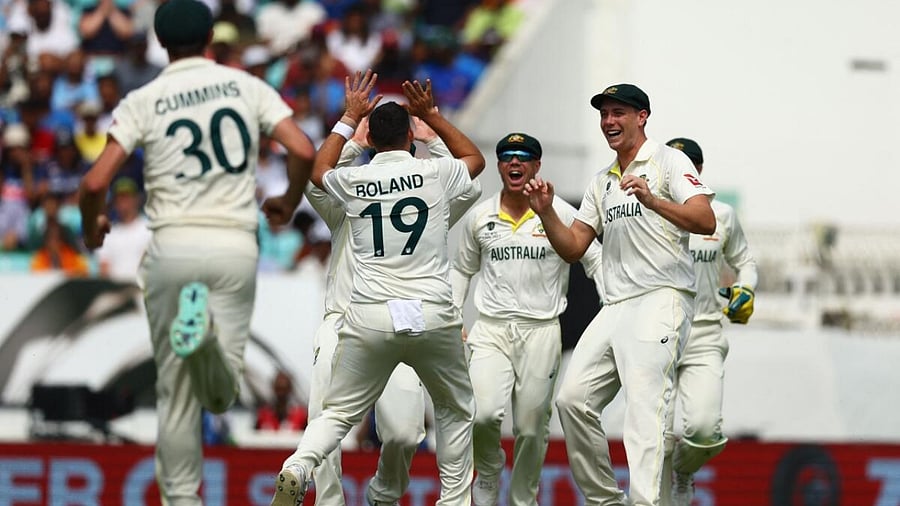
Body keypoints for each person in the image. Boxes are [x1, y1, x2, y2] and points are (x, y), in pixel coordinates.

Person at [77, 0, 316, 503]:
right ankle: (204, 336)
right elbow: (302, 150)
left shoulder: (147, 97)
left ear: (160, 43)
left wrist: (92, 225)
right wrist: (288, 201)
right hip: (233, 243)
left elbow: (96, 180)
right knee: (222, 393)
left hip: (172, 247)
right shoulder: (246, 86)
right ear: (212, 37)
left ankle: (182, 501)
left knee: (176, 394)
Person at [271, 71, 485, 506]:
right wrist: (433, 126)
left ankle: (376, 492)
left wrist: (351, 122)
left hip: (375, 318)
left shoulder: (351, 187)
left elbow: (320, 172)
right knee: (446, 410)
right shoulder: (427, 178)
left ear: (372, 139)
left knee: (401, 432)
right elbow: (470, 167)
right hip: (353, 319)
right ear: (409, 136)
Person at [523, 83, 716, 506]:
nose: (609, 122)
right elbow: (574, 247)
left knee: (644, 411)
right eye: (604, 114)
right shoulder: (602, 181)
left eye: (619, 113)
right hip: (615, 305)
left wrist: (654, 201)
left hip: (662, 297)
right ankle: (605, 501)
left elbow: (705, 220)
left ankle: (645, 501)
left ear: (642, 116)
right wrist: (546, 212)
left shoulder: (668, 160)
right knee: (572, 401)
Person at [450, 132, 604, 506]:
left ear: (536, 166)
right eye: (507, 157)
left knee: (531, 428)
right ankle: (487, 472)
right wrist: (454, 318)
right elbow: (460, 270)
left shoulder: (560, 212)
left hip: (542, 331)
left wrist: (614, 307)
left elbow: (594, 258)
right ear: (500, 166)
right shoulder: (480, 217)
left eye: (523, 157)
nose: (514, 163)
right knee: (483, 414)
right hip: (492, 329)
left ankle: (523, 498)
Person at [664, 137, 757, 506]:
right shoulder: (648, 208)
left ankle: (683, 472)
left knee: (704, 432)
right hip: (660, 331)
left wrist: (745, 290)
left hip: (704, 332)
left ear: (698, 172)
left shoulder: (721, 216)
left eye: (690, 164)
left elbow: (745, 262)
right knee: (653, 436)